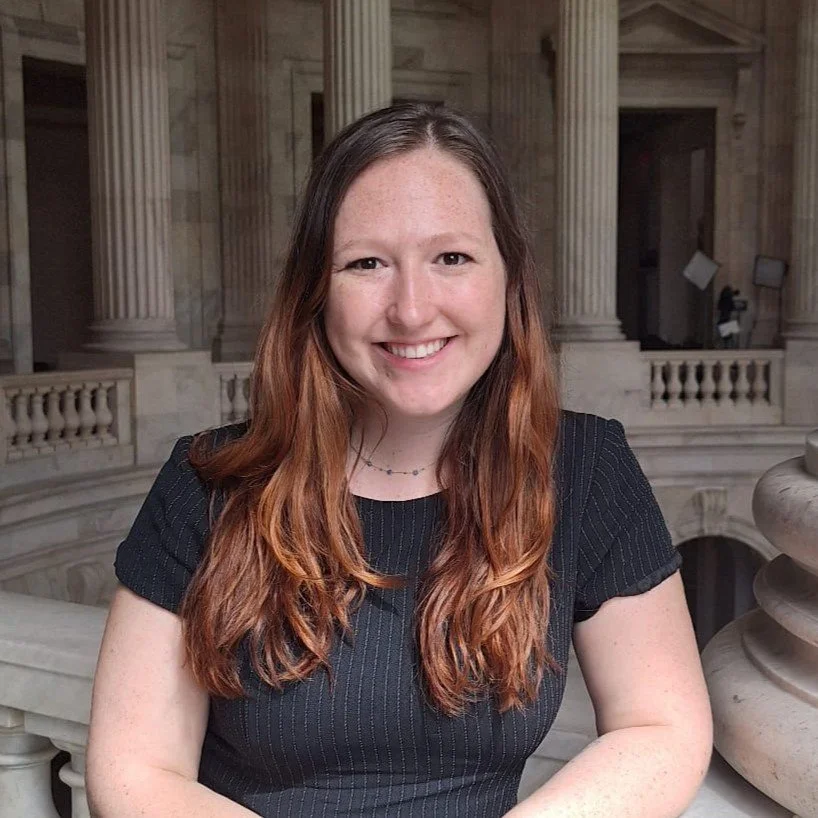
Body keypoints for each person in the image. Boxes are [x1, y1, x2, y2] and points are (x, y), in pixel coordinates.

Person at [86, 103, 712, 817]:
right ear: (316, 293)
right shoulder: (206, 485)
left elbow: (661, 724)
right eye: (366, 264)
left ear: (508, 280)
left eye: (451, 257)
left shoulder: (586, 468)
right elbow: (132, 770)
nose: (411, 310)